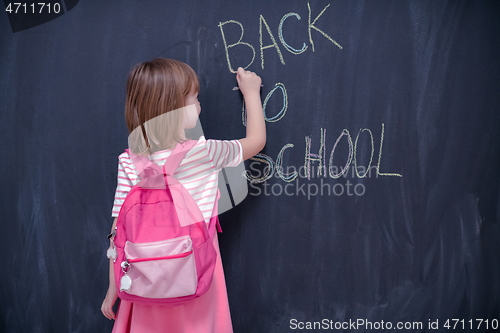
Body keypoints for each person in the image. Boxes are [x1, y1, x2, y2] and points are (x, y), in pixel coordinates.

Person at [101, 58, 265, 333]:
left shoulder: (129, 160)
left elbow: (118, 231)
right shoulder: (204, 153)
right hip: (197, 275)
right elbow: (256, 142)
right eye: (195, 98)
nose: (200, 105)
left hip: (144, 278)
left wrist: (114, 287)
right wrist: (251, 92)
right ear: (176, 109)